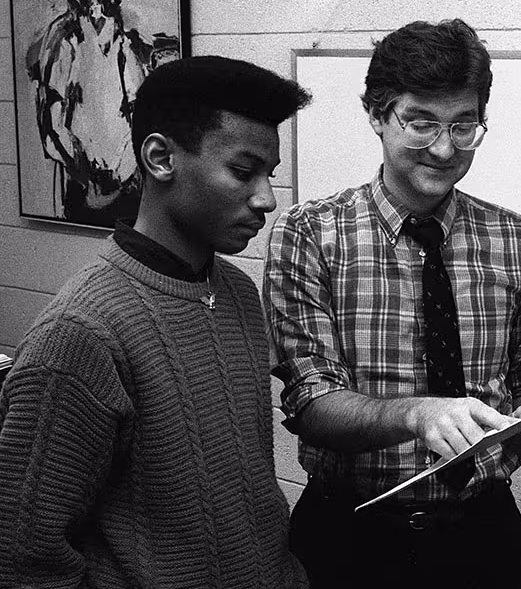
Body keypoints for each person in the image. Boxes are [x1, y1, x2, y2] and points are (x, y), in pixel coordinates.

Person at [264, 18, 521, 589]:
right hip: (352, 537)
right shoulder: (310, 234)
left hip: (483, 534)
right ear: (377, 115)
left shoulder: (517, 240)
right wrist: (418, 415)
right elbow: (312, 405)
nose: (445, 149)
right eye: (421, 123)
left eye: (463, 126)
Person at [0, 55, 310, 587]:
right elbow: (23, 556)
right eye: (243, 172)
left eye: (269, 175)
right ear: (161, 158)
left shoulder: (237, 291)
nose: (266, 199)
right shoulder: (79, 334)